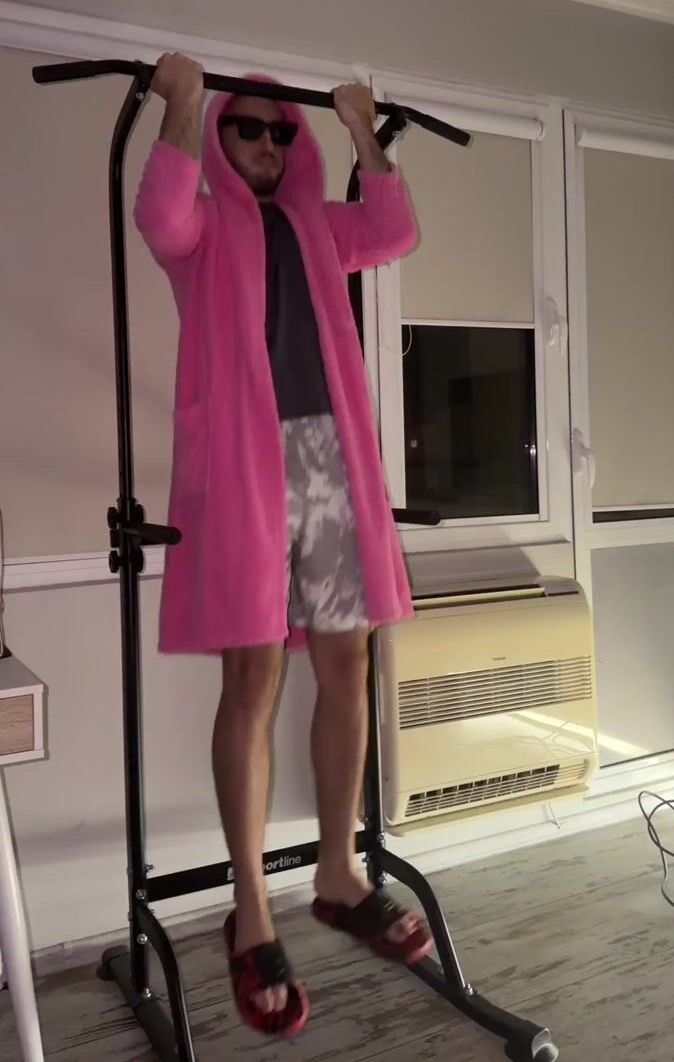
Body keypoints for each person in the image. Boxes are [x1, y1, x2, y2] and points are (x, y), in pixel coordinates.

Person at [134, 52, 431, 1037]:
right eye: (246, 127)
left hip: (327, 461)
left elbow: (392, 230)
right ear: (222, 137)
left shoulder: (315, 225)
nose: (265, 142)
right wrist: (184, 103)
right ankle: (250, 910)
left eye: (278, 130)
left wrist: (358, 128)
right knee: (253, 678)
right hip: (244, 469)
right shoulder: (202, 227)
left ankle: (339, 874)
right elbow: (157, 213)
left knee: (347, 662)